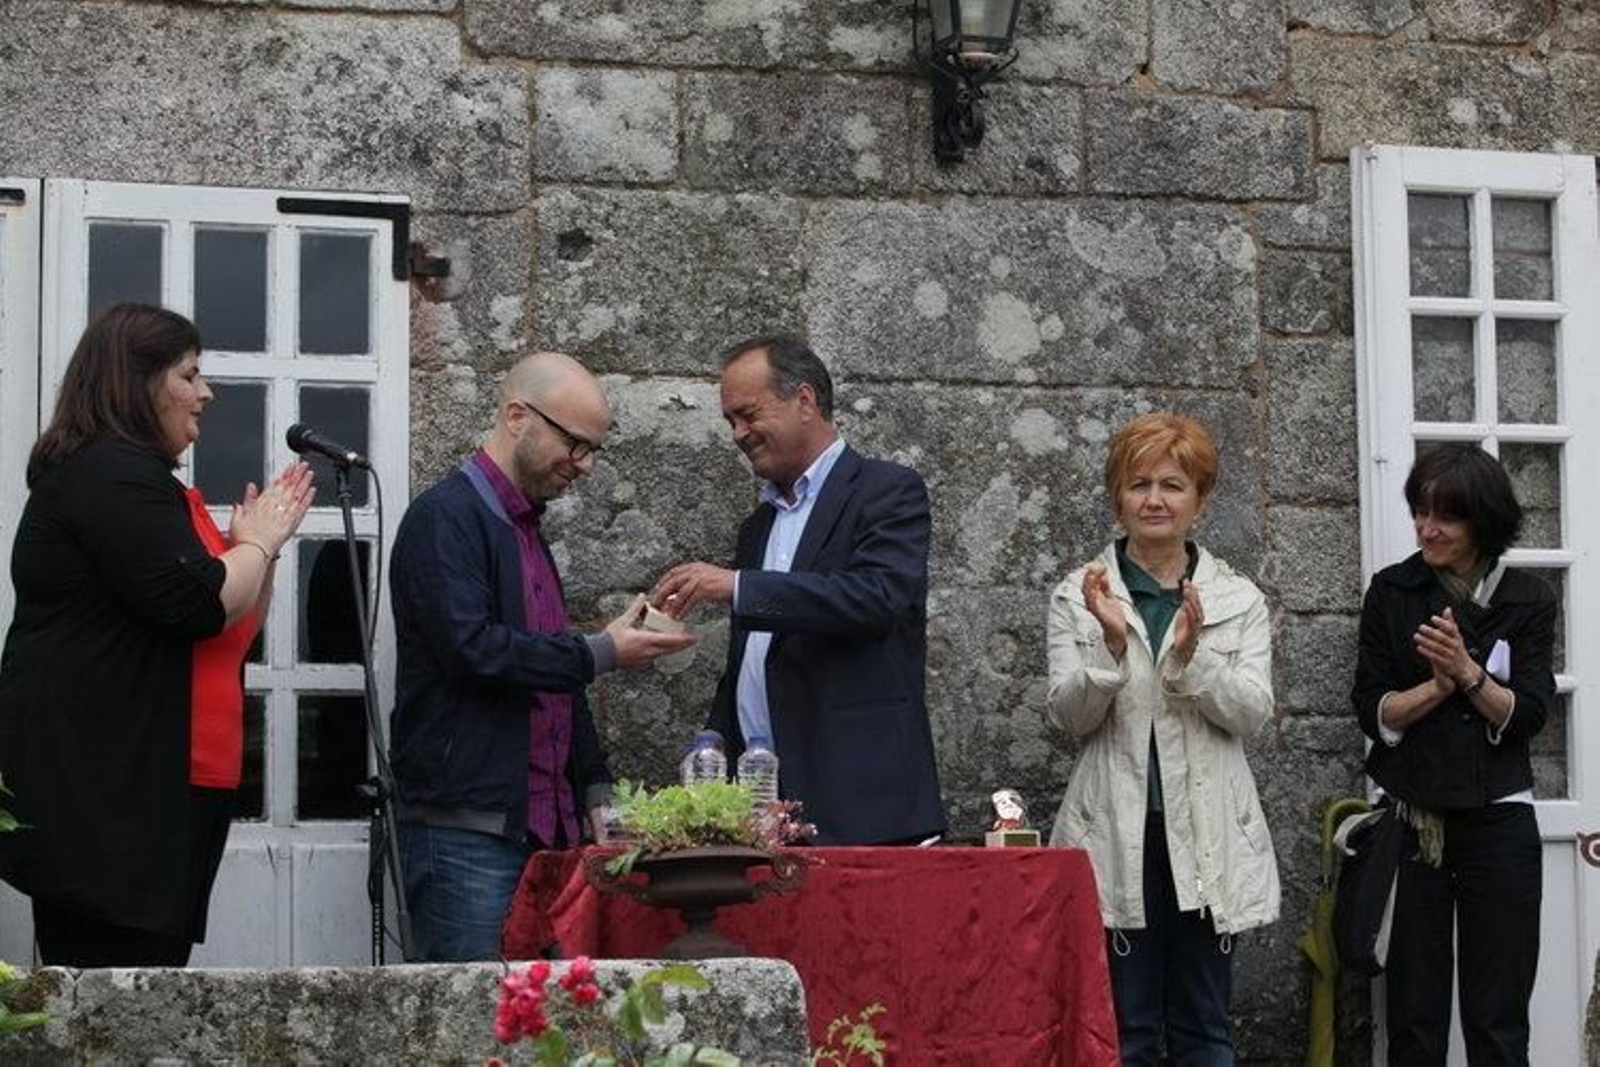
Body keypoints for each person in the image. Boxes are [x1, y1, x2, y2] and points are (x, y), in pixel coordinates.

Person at [0, 303, 314, 967]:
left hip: (171, 791)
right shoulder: (107, 476)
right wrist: (255, 541)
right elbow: (196, 603)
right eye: (189, 374)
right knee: (111, 995)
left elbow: (232, 620)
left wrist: (265, 549)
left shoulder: (153, 489)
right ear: (136, 383)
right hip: (111, 803)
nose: (206, 392)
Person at [389, 350, 697, 962]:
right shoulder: (442, 518)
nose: (582, 465)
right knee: (473, 1032)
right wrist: (602, 651)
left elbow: (556, 675)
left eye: (592, 450)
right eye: (575, 445)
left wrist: (594, 787)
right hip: (464, 832)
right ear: (516, 416)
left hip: (538, 833)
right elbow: (472, 650)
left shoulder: (525, 530)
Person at [1045, 411, 1278, 1064]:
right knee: (1129, 1028)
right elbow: (1070, 715)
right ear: (1117, 496)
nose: (1155, 499)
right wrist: (1112, 648)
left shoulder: (1236, 597)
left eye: (1173, 485)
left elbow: (1253, 711)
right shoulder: (1078, 594)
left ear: (1199, 500)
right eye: (1139, 483)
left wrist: (1192, 657)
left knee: (1206, 1025)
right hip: (1117, 832)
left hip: (1207, 833)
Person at [652, 334, 945, 846]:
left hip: (861, 802)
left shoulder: (888, 490)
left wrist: (738, 586)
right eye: (730, 422)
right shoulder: (756, 528)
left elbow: (875, 599)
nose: (738, 434)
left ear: (804, 400)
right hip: (763, 806)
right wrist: (710, 748)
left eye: (748, 414)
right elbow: (753, 660)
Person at [1351, 443, 1555, 1064]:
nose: (1426, 528)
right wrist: (1435, 687)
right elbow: (1371, 707)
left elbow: (1530, 714)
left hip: (1500, 823)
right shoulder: (1393, 590)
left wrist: (1468, 674)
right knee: (1414, 1015)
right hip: (1416, 823)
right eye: (1419, 511)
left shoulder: (1528, 598)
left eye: (1445, 516)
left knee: (1498, 1017)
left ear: (1484, 521)